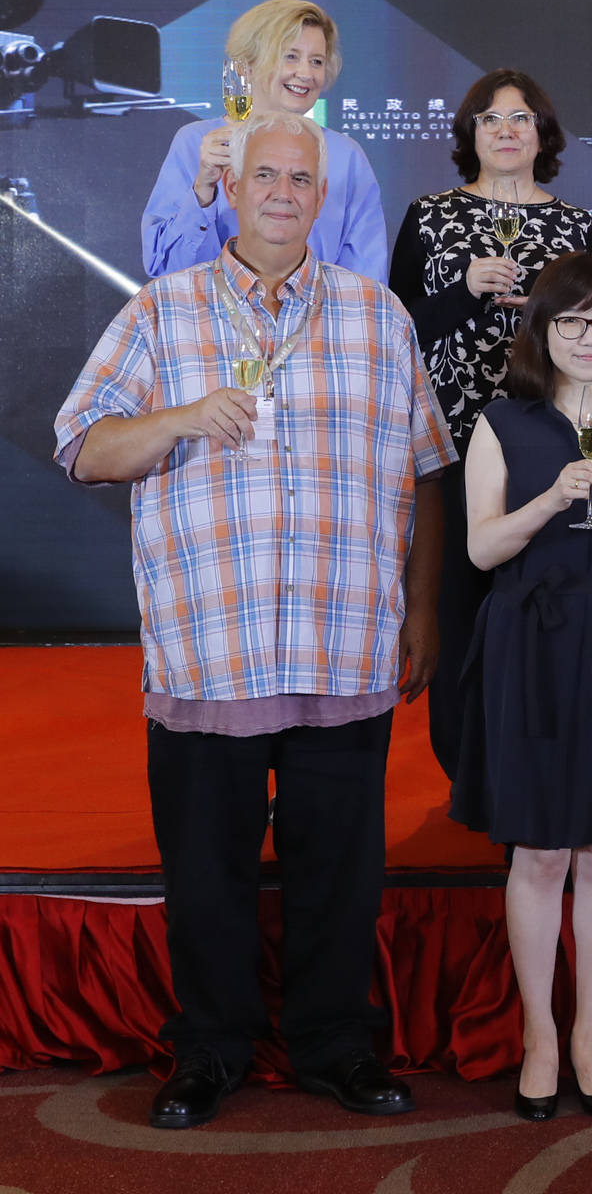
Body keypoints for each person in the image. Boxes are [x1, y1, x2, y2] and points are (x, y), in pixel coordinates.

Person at [56, 113, 449, 1129]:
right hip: (210, 647)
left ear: (324, 196)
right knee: (207, 873)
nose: (282, 191)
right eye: (265, 175)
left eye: (300, 179)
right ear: (231, 190)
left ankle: (335, 1043)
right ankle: (210, 1049)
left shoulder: (377, 317)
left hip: (343, 639)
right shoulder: (162, 311)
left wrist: (424, 608)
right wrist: (183, 418)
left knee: (341, 873)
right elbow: (84, 446)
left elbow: (428, 470)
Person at [449, 251, 592, 1122]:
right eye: (574, 321)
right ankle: (539, 1037)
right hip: (531, 644)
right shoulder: (503, 423)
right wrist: (549, 502)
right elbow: (481, 548)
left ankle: (590, 1036)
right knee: (541, 850)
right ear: (542, 331)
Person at [388, 69, 592, 780]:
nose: (506, 130)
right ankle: (468, 768)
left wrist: (547, 314)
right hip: (453, 439)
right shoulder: (430, 215)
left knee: (544, 599)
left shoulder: (575, 226)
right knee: (462, 602)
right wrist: (462, 292)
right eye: (489, 119)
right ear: (469, 135)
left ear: (543, 135)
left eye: (520, 118)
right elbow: (395, 332)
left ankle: (543, 760)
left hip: (547, 441)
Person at [142, 0, 387, 281]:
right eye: (290, 56)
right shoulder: (198, 144)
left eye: (317, 61)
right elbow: (165, 269)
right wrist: (203, 192)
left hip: (320, 310)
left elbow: (367, 282)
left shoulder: (346, 156)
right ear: (247, 63)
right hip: (210, 309)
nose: (306, 74)